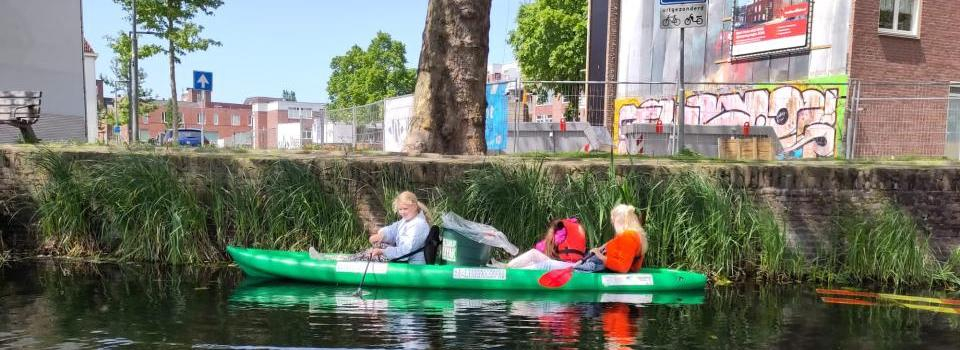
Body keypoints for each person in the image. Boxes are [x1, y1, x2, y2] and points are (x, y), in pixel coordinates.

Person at [311, 191, 431, 264]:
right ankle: (334, 258)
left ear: (415, 206)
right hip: (402, 257)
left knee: (372, 253)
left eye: (405, 209)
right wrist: (381, 235)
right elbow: (392, 230)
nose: (402, 212)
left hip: (410, 262)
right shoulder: (407, 220)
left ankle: (334, 262)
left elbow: (406, 251)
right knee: (373, 250)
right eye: (400, 209)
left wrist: (383, 251)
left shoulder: (418, 225)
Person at [575, 204, 648, 273]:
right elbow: (618, 245)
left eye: (613, 220)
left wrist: (600, 256)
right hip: (603, 264)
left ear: (619, 221)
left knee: (577, 267)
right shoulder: (635, 235)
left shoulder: (628, 236)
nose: (612, 223)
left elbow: (622, 267)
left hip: (601, 266)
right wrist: (602, 247)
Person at [505, 217, 587, 270]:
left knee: (537, 257)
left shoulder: (562, 227)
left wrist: (538, 246)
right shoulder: (578, 227)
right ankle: (509, 268)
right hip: (574, 263)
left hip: (569, 265)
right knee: (533, 258)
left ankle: (507, 270)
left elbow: (547, 244)